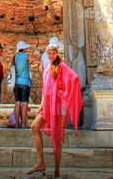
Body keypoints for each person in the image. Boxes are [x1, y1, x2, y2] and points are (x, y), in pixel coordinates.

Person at [26, 42, 82, 178]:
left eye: (53, 53)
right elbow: (46, 90)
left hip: (58, 106)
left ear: (57, 54)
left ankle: (57, 171)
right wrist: (41, 104)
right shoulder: (48, 68)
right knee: (34, 127)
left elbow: (74, 79)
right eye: (49, 53)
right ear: (46, 54)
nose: (51, 55)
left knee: (56, 137)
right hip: (47, 105)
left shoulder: (61, 66)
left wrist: (61, 95)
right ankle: (40, 162)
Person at [13, 40, 41, 128]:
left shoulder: (15, 57)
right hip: (25, 82)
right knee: (24, 103)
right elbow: (37, 59)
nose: (27, 49)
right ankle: (24, 124)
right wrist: (40, 54)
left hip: (16, 83)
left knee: (17, 103)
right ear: (23, 48)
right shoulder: (26, 56)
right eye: (26, 48)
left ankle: (17, 124)